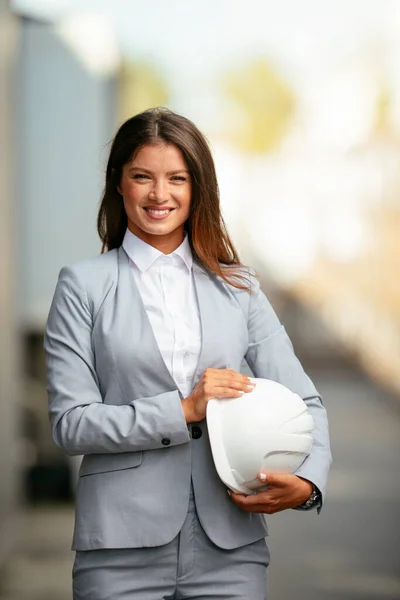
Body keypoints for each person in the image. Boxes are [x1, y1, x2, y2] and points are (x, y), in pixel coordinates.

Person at [44, 107, 332, 600]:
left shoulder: (239, 287)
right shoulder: (82, 287)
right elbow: (70, 423)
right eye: (142, 177)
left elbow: (305, 402)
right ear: (119, 183)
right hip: (119, 546)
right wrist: (183, 411)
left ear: (198, 187)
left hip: (231, 547)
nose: (160, 194)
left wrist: (308, 483)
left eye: (177, 178)